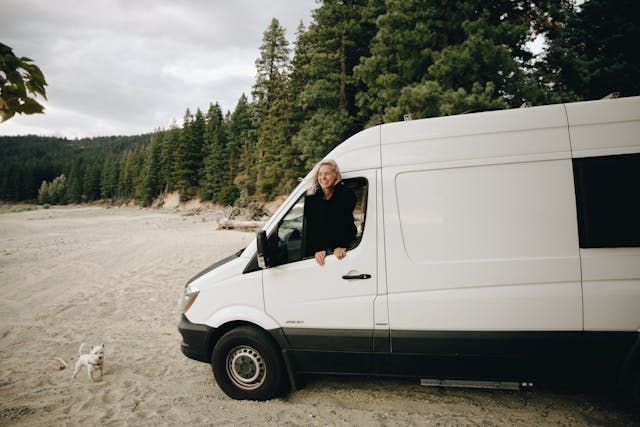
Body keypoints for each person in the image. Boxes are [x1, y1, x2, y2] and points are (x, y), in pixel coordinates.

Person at [304, 159, 357, 266]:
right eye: (320, 174)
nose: (323, 177)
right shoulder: (311, 200)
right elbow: (312, 228)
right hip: (322, 250)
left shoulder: (347, 195)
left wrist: (339, 245)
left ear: (336, 176)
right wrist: (318, 248)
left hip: (344, 246)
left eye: (327, 174)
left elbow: (345, 224)